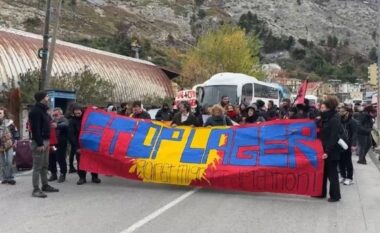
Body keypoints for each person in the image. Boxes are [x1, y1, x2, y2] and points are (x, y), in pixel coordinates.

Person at [29, 91, 59, 198]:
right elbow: (35, 129)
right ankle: (36, 189)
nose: (48, 98)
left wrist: (53, 124)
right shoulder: (35, 111)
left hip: (46, 141)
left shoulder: (44, 110)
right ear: (42, 98)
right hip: (39, 142)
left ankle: (45, 185)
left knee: (45, 165)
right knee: (37, 167)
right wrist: (40, 143)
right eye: (47, 96)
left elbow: (46, 124)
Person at [69, 105, 101, 185]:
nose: (77, 112)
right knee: (81, 162)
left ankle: (94, 176)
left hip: (90, 144)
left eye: (78, 110)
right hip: (79, 145)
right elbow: (71, 135)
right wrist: (77, 147)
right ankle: (82, 178)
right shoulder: (72, 121)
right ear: (73, 112)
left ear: (81, 110)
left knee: (93, 161)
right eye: (75, 110)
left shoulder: (88, 119)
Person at [319, 96, 341, 202]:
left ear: (329, 107)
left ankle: (335, 196)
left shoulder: (335, 118)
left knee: (332, 174)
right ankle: (320, 192)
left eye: (323, 107)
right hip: (323, 149)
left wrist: (327, 151)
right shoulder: (326, 118)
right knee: (323, 173)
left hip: (331, 151)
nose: (321, 109)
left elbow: (333, 137)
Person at [48, 108, 69, 183]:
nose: (54, 116)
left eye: (56, 115)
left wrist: (57, 125)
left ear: (60, 114)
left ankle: (63, 174)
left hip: (60, 143)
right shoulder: (52, 121)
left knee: (60, 159)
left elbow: (65, 125)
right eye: (53, 115)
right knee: (51, 158)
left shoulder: (64, 120)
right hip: (53, 144)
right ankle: (54, 174)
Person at [338, 106, 357, 186]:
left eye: (342, 111)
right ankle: (343, 176)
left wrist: (353, 144)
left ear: (347, 112)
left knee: (348, 161)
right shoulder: (339, 120)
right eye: (340, 111)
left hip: (348, 144)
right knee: (340, 161)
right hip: (340, 143)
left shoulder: (352, 122)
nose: (340, 112)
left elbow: (354, 134)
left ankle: (349, 178)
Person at [0, 107, 19, 185]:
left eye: (0, 113)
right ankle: (4, 178)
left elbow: (15, 132)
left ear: (4, 114)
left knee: (9, 161)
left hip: (9, 144)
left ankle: (10, 177)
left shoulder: (9, 122)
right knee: (2, 162)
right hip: (0, 145)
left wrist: (16, 141)